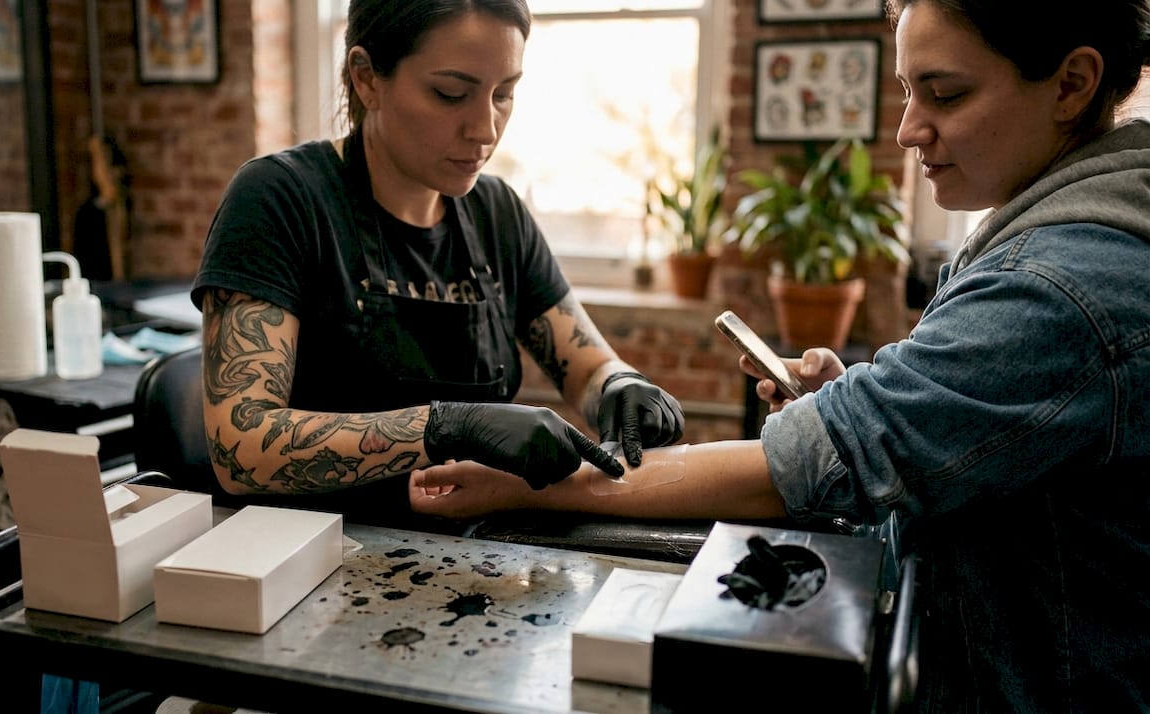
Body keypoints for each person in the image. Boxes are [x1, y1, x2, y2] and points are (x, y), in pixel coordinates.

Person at [410, 0, 1150, 710]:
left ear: (1072, 84)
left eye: (945, 94)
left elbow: (791, 468)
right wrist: (869, 397)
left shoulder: (1057, 283)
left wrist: (530, 484)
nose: (907, 130)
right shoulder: (1047, 230)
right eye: (906, 91)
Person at [191, 0, 684, 525]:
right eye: (451, 94)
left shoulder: (498, 214)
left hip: (468, 552)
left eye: (504, 94)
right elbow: (240, 447)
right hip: (310, 558)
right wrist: (447, 428)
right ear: (366, 79)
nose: (485, 129)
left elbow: (586, 367)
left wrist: (618, 386)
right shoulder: (279, 199)